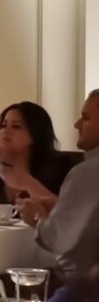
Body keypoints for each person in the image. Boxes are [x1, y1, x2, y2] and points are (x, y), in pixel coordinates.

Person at [18, 90, 99, 283]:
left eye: (85, 118)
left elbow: (57, 243)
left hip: (83, 289)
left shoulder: (85, 172)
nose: (76, 125)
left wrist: (36, 219)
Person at [0, 102, 75, 204]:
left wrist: (28, 183)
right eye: (3, 125)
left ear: (35, 134)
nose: (5, 131)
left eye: (16, 126)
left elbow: (67, 210)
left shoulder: (59, 165)